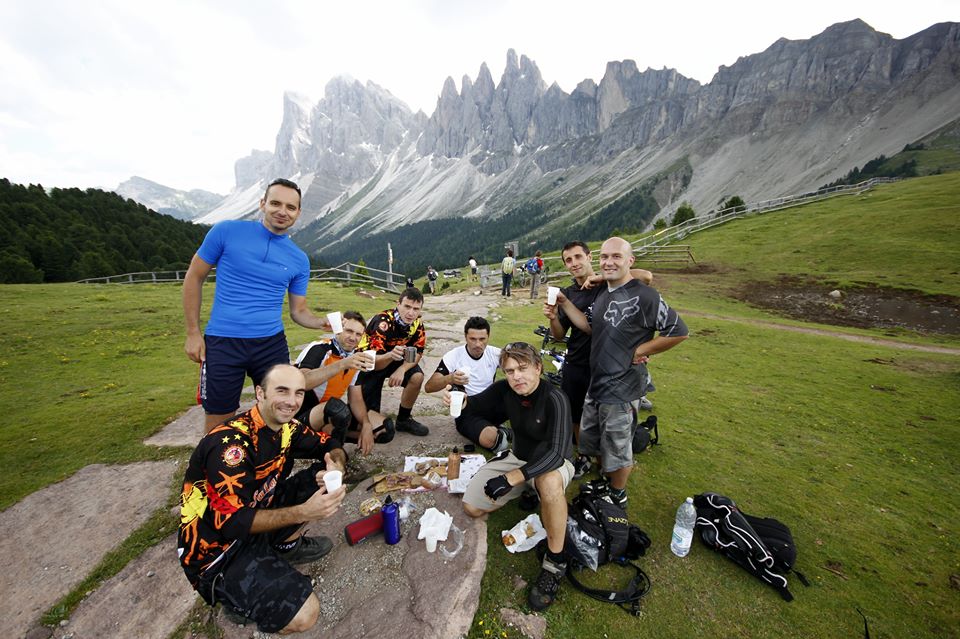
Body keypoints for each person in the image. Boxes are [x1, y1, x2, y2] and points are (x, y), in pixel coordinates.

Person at [177, 364, 347, 634]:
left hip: (256, 511)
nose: (292, 402)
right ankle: (234, 597)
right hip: (219, 552)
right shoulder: (230, 446)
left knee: (322, 476)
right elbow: (232, 523)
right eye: (282, 391)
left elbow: (326, 444)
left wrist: (336, 464)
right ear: (260, 393)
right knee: (305, 615)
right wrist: (304, 512)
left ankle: (282, 549)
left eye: (299, 393)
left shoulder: (287, 428)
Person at [182, 177, 330, 433]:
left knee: (279, 409)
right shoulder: (226, 231)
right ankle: (217, 469)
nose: (282, 211)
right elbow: (194, 277)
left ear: (298, 213)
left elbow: (298, 311)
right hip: (222, 341)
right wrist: (193, 333)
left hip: (270, 344)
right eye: (275, 203)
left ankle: (267, 467)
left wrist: (321, 322)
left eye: (290, 207)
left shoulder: (299, 259)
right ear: (262, 204)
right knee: (219, 416)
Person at [555, 237, 688, 508]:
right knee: (600, 441)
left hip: (624, 387)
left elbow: (679, 331)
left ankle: (618, 493)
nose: (609, 262)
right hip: (598, 382)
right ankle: (606, 480)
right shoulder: (605, 293)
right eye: (605, 256)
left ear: (630, 260)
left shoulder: (645, 295)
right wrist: (563, 302)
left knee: (619, 446)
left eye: (616, 256)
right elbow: (588, 326)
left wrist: (641, 350)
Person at [459, 342, 574, 611]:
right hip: (518, 457)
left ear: (538, 367)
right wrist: (461, 398)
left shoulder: (555, 398)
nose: (516, 377)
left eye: (522, 369)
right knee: (472, 506)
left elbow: (557, 453)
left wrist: (512, 478)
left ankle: (555, 561)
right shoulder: (505, 390)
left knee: (547, 483)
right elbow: (475, 405)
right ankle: (528, 492)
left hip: (553, 464)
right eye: (509, 371)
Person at [543, 240, 654, 477]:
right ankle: (583, 455)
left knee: (606, 414)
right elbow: (560, 334)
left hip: (609, 363)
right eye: (568, 260)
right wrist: (553, 317)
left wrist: (602, 278)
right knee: (575, 413)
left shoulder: (611, 283)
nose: (574, 264)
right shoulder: (568, 294)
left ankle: (607, 460)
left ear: (589, 257)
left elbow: (645, 276)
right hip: (577, 362)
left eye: (577, 257)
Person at [293, 311, 395, 456]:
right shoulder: (320, 348)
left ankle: (328, 436)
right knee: (338, 410)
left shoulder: (355, 358)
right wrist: (342, 364)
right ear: (339, 330)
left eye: (358, 334)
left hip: (329, 414)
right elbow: (301, 382)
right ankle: (331, 450)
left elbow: (356, 400)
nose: (353, 337)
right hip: (300, 416)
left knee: (384, 428)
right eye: (349, 331)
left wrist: (366, 425)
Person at [423, 316, 507, 451]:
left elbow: (520, 368)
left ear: (488, 337)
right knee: (493, 442)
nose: (478, 344)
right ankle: (497, 430)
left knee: (509, 386)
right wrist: (450, 378)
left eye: (482, 339)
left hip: (491, 404)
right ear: (465, 337)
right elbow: (429, 387)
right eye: (473, 339)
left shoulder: (495, 353)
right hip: (467, 409)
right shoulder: (454, 356)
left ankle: (499, 428)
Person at [355, 288, 430, 436]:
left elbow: (418, 353)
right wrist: (390, 357)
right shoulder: (383, 322)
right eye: (407, 306)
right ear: (398, 304)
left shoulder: (417, 324)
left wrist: (401, 370)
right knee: (373, 426)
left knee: (417, 377)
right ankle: (366, 419)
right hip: (371, 361)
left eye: (416, 309)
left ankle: (403, 420)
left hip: (394, 358)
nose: (411, 313)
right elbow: (375, 363)